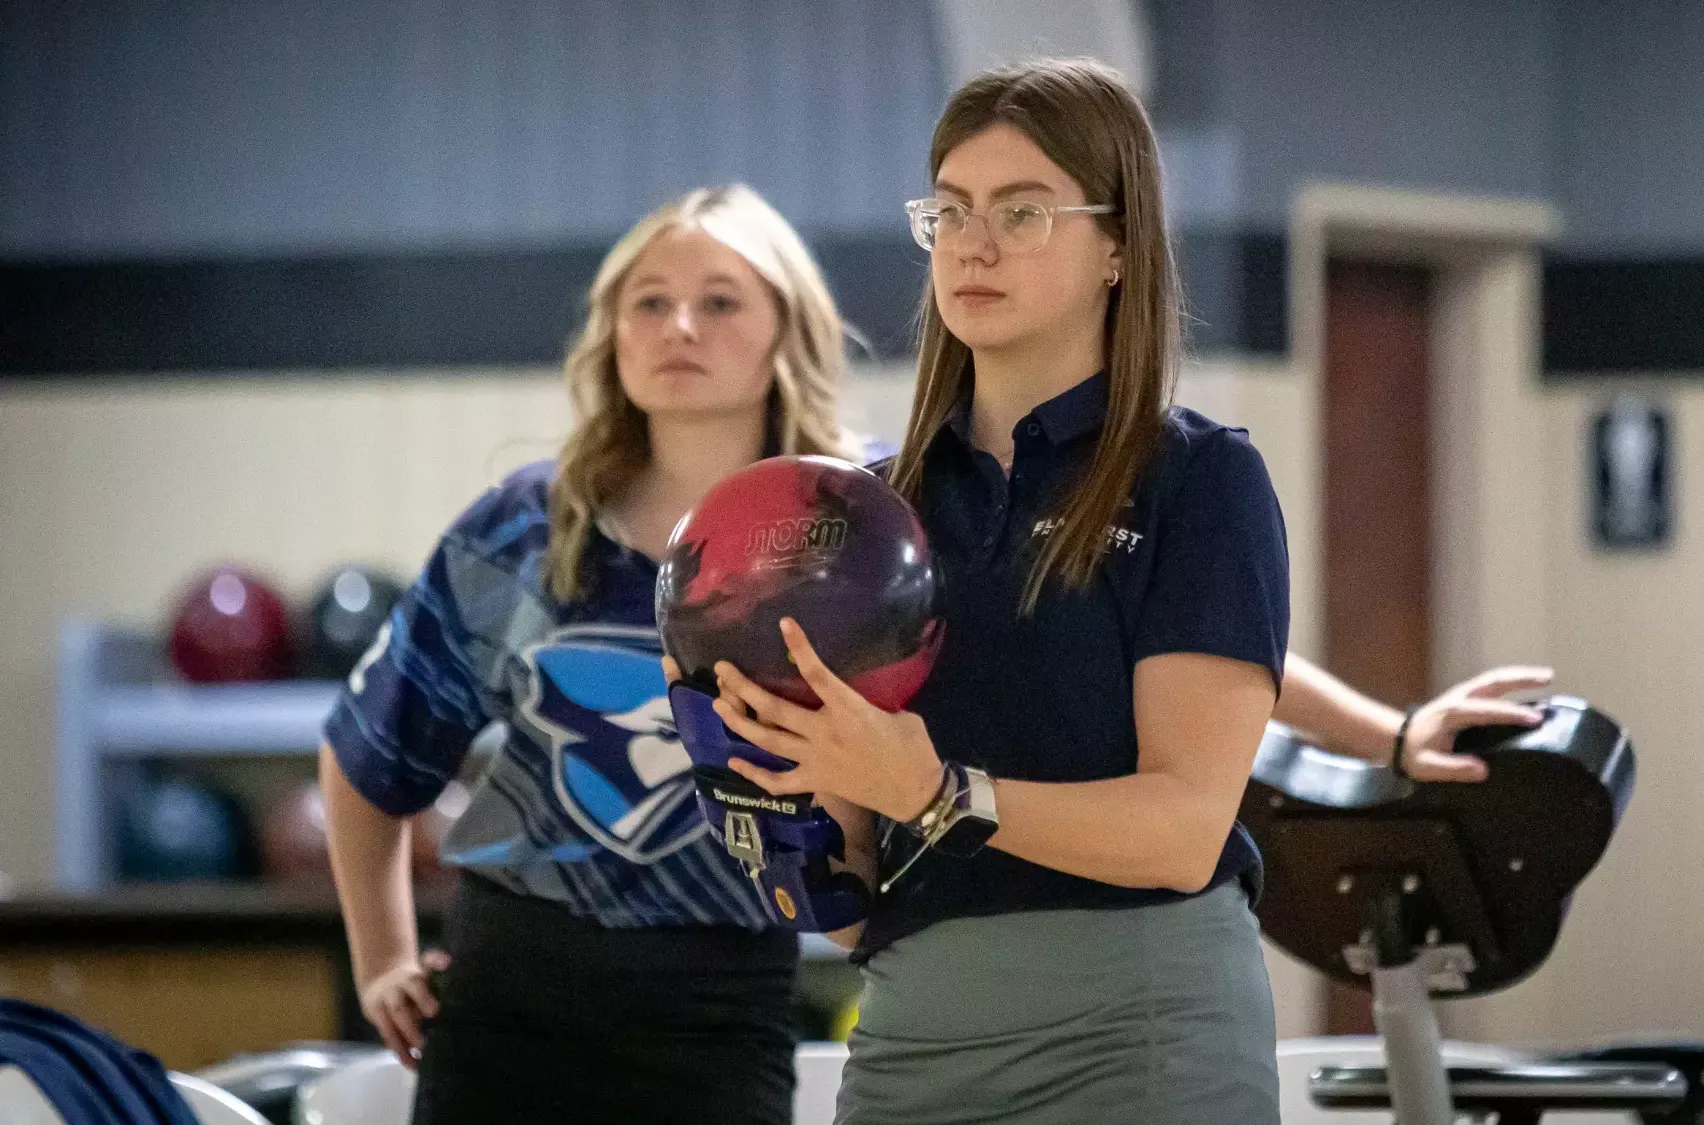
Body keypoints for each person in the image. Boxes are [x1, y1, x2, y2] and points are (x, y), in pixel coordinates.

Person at [697, 59, 1552, 1125]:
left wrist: (936, 791)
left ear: (1115, 246)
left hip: (1139, 1025)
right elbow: (845, 901)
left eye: (1021, 211)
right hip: (916, 1024)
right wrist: (793, 765)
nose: (973, 242)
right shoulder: (873, 515)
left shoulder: (1198, 479)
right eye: (950, 210)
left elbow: (1183, 827)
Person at [318, 183, 866, 1125]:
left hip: (721, 1006)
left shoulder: (850, 536)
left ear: (789, 332)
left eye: (722, 299)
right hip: (506, 1004)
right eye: (647, 300)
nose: (679, 324)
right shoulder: (527, 530)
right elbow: (368, 754)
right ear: (613, 331)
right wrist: (382, 962)